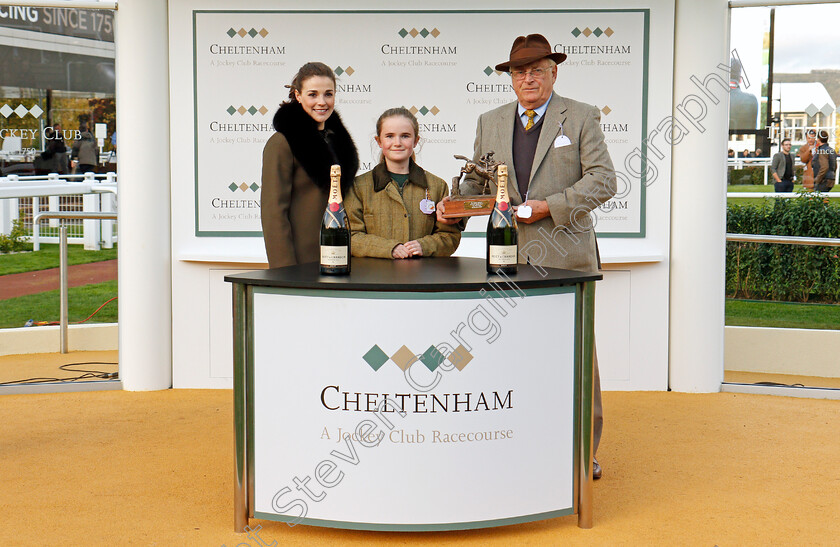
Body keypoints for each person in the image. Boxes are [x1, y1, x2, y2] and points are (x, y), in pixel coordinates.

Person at [437, 33, 616, 479]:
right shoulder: (490, 121)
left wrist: (549, 206)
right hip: (506, 260)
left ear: (554, 72)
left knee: (574, 358)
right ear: (510, 78)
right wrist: (453, 206)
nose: (529, 78)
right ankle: (514, 441)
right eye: (521, 71)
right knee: (510, 358)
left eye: (538, 69)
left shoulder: (581, 116)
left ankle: (582, 452)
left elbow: (604, 181)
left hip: (566, 259)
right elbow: (477, 187)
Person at [261, 62, 359, 269]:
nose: (322, 102)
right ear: (298, 95)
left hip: (342, 260)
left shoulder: (336, 141)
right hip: (301, 265)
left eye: (328, 94)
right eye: (313, 94)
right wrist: (285, 271)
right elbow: (273, 214)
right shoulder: (281, 143)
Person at [345, 107, 460, 259]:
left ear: (416, 141)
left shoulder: (437, 186)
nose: (397, 143)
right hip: (373, 277)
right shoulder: (359, 186)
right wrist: (388, 248)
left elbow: (449, 236)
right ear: (379, 141)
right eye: (389, 136)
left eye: (405, 136)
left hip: (422, 278)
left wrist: (424, 246)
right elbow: (350, 236)